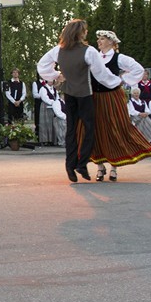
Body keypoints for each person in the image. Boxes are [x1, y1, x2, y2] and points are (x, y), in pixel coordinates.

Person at [37, 19, 122, 183]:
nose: (86, 33)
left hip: (69, 94)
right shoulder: (89, 51)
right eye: (85, 31)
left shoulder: (58, 50)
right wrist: (117, 81)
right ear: (80, 33)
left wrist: (55, 76)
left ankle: (70, 165)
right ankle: (82, 164)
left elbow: (42, 66)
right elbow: (101, 74)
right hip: (84, 94)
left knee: (71, 130)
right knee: (89, 128)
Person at [89, 30, 151, 182]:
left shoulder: (119, 58)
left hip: (112, 97)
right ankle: (100, 167)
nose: (99, 41)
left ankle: (114, 167)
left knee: (115, 128)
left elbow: (138, 69)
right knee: (96, 129)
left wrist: (122, 80)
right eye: (98, 39)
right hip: (95, 97)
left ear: (112, 42)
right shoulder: (94, 57)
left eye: (102, 39)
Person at [38, 79, 58, 145]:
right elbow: (45, 98)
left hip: (53, 107)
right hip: (45, 107)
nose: (51, 81)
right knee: (45, 124)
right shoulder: (43, 88)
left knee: (53, 123)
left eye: (52, 80)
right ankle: (45, 140)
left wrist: (56, 103)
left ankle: (52, 140)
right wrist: (53, 102)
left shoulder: (54, 89)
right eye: (49, 80)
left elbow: (57, 97)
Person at [31, 74, 46, 139]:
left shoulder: (48, 82)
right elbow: (35, 94)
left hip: (47, 105)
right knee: (38, 119)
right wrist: (43, 96)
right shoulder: (35, 83)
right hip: (39, 104)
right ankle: (38, 137)